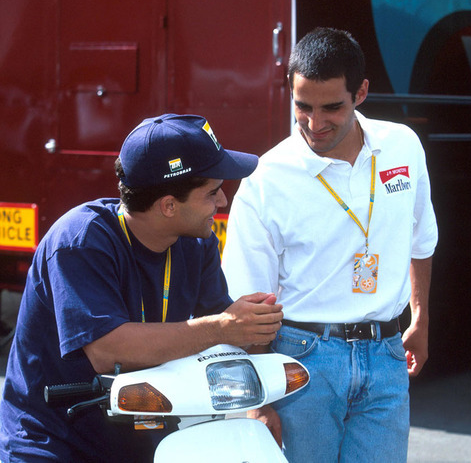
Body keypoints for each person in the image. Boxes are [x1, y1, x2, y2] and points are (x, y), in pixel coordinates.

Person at [0, 114, 284, 462]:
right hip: (52, 445)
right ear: (168, 206)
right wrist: (224, 326)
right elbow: (108, 350)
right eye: (212, 192)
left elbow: (224, 332)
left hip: (140, 442)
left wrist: (255, 339)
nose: (222, 201)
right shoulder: (80, 241)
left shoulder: (197, 243)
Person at [222, 27, 438, 462]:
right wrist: (259, 400)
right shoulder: (266, 180)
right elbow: (248, 303)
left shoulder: (402, 146)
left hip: (386, 354)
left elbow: (422, 239)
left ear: (361, 93)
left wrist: (421, 319)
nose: (314, 124)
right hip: (302, 362)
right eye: (302, 107)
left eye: (331, 108)